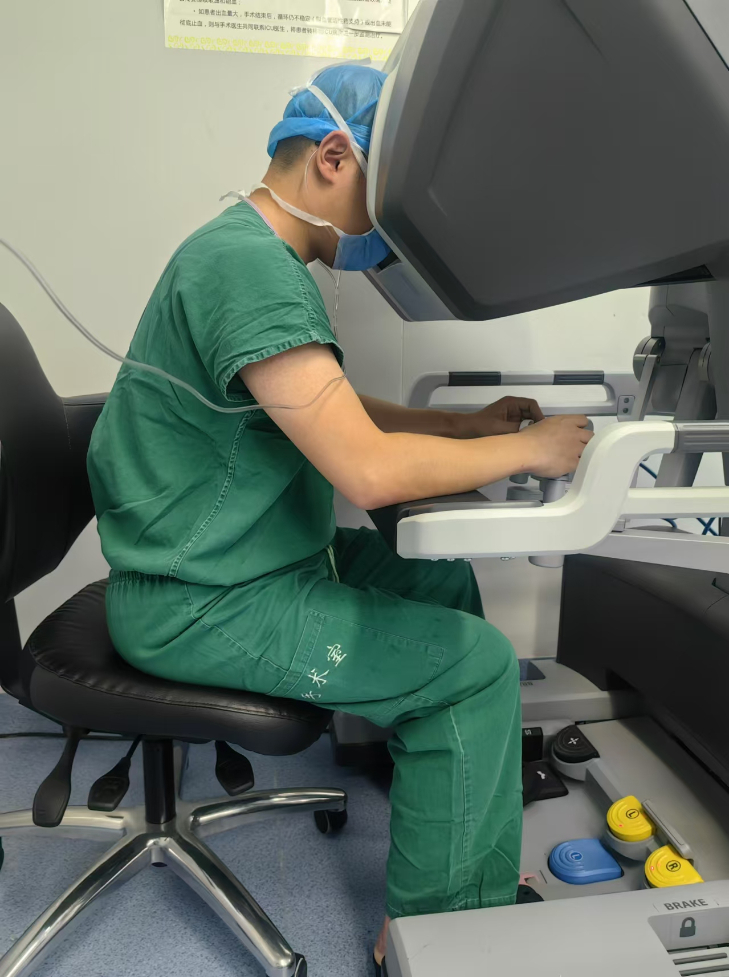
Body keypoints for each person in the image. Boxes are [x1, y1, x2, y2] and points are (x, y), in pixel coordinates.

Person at [87, 63, 593, 975]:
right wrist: (529, 449)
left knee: (441, 579)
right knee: (476, 667)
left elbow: (328, 407)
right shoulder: (248, 268)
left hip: (245, 560)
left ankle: (444, 796)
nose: (394, 229)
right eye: (391, 195)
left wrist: (462, 427)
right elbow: (364, 465)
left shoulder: (249, 251)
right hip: (200, 601)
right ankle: (439, 935)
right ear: (332, 157)